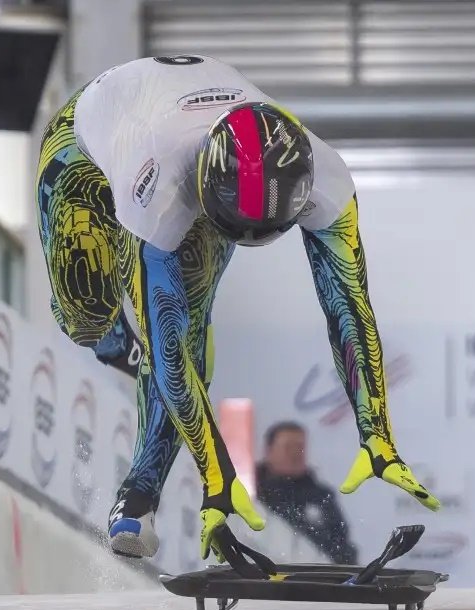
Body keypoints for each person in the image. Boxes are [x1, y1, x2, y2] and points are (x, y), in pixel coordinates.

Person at [35, 54, 440, 561]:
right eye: (238, 230)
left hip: (197, 164)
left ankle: (138, 497)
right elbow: (167, 345)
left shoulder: (328, 179)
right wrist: (217, 474)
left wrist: (377, 435)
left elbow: (349, 307)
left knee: (189, 329)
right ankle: (114, 342)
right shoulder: (159, 187)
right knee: (90, 314)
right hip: (86, 147)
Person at [256, 421, 359, 564]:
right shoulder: (252, 494)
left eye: (300, 447)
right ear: (268, 451)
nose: (294, 454)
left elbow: (340, 543)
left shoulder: (321, 496)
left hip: (317, 575)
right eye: (288, 447)